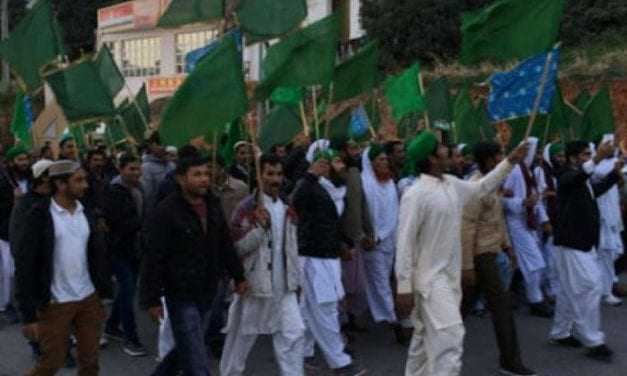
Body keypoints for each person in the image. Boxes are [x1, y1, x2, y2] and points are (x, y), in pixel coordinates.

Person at [395, 131, 527, 376]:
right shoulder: (415, 194)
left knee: (423, 344)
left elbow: (481, 188)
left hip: (448, 276)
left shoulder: (450, 184)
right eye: (442, 148)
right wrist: (403, 287)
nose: (449, 152)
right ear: (432, 158)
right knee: (450, 339)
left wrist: (510, 162)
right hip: (430, 281)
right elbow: (404, 244)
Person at [140, 156, 248, 376]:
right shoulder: (166, 211)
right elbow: (154, 257)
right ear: (181, 179)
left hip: (209, 289)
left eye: (206, 174)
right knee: (196, 360)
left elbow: (224, 243)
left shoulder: (213, 204)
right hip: (181, 292)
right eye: (197, 175)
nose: (204, 179)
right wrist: (150, 298)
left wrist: (239, 276)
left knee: (188, 345)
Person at [13, 160, 112, 376]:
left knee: (90, 362)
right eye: (78, 180)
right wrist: (28, 315)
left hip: (88, 298)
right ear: (60, 184)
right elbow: (25, 264)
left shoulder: (87, 212)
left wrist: (103, 290)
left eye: (85, 179)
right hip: (55, 303)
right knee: (51, 364)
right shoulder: (38, 215)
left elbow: (97, 255)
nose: (85, 185)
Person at [220, 154, 304, 375]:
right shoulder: (247, 208)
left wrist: (297, 279)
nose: (275, 179)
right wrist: (259, 229)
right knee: (242, 339)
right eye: (269, 174)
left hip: (284, 286)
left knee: (293, 336)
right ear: (260, 176)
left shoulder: (287, 207)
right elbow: (235, 248)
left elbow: (291, 248)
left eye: (278, 174)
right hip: (255, 286)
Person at [461, 142, 536, 376]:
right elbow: (466, 227)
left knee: (459, 308)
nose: (501, 159)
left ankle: (432, 342)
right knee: (501, 307)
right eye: (498, 156)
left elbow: (497, 218)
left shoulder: (493, 183)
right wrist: (467, 265)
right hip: (480, 255)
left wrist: (507, 246)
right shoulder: (476, 185)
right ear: (488, 160)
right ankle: (510, 362)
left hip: (494, 250)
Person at [292, 147, 366, 376]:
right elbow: (297, 201)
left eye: (333, 161)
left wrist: (343, 244)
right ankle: (340, 363)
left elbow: (330, 223)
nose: (334, 165)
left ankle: (301, 356)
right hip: (314, 257)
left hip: (328, 255)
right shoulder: (309, 185)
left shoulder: (333, 188)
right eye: (325, 161)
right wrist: (311, 174)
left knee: (310, 309)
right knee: (324, 309)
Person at [549, 140, 622, 362]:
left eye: (590, 154)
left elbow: (593, 192)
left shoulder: (580, 177)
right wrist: (598, 158)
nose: (589, 157)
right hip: (573, 243)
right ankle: (594, 340)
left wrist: (613, 175)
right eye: (585, 154)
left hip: (583, 243)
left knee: (568, 291)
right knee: (589, 288)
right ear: (572, 158)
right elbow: (576, 178)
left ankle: (560, 333)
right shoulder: (566, 175)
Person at [501, 137, 554, 317]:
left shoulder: (529, 171)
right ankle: (535, 300)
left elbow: (535, 198)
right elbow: (501, 199)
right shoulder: (515, 171)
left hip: (529, 222)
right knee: (534, 263)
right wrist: (522, 202)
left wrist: (544, 219)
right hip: (515, 222)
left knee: (531, 262)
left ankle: (522, 295)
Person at [102, 153, 147, 357]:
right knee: (128, 290)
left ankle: (111, 325)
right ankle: (131, 338)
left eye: (138, 169)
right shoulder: (113, 191)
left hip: (136, 248)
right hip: (117, 249)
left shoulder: (139, 188)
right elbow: (118, 223)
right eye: (131, 169)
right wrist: (144, 223)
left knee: (126, 290)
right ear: (121, 169)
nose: (136, 173)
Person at [9, 158, 53, 359]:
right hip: (33, 268)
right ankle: (38, 346)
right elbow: (21, 250)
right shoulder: (27, 206)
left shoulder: (54, 202)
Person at [361, 145, 400, 329]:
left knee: (383, 279)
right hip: (371, 242)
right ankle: (394, 321)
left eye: (386, 159)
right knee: (380, 282)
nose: (385, 163)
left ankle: (382, 314)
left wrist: (386, 234)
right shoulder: (365, 184)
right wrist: (372, 236)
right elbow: (365, 213)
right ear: (371, 163)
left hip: (389, 239)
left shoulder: (389, 182)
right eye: (380, 160)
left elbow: (393, 211)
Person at [338, 140, 373, 333]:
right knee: (340, 287)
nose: (356, 151)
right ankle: (341, 324)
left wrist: (367, 231)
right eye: (351, 148)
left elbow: (361, 205)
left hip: (355, 238)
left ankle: (350, 317)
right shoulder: (329, 181)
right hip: (338, 241)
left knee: (355, 286)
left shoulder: (354, 174)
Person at [590, 138, 624, 306]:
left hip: (612, 217)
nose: (612, 148)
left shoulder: (610, 164)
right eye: (608, 145)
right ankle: (605, 291)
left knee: (612, 254)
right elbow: (606, 171)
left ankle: (606, 287)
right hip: (602, 218)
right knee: (605, 255)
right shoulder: (596, 167)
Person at [0, 145, 31, 323]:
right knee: (9, 271)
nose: (24, 163)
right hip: (7, 231)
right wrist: (13, 201)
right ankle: (7, 305)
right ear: (12, 162)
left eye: (25, 159)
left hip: (28, 231)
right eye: (20, 160)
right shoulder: (4, 181)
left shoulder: (31, 179)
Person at [533, 143, 566, 302]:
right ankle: (549, 290)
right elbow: (539, 196)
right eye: (558, 156)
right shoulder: (540, 171)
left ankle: (554, 289)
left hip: (558, 217)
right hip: (545, 219)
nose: (561, 159)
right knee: (548, 258)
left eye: (562, 156)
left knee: (554, 256)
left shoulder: (557, 172)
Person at [141, 131, 173, 214]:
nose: (163, 147)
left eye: (164, 144)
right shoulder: (146, 168)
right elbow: (148, 196)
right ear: (151, 146)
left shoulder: (171, 164)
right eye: (159, 144)